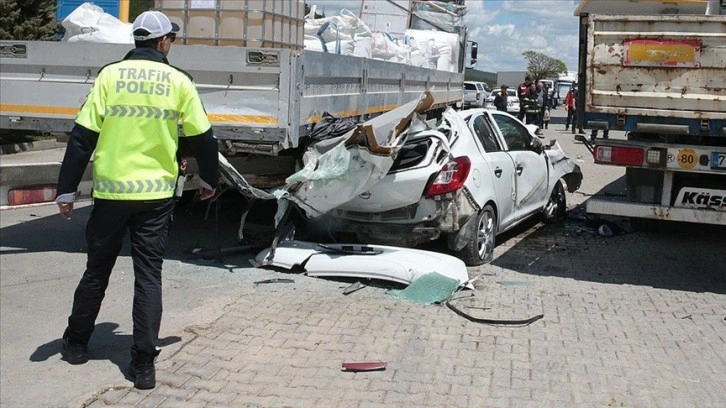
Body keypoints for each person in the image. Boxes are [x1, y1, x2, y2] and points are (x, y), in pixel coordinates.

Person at [56, 11, 219, 390]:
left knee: (97, 271)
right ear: (163, 42)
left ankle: (77, 344)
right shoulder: (179, 81)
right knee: (148, 277)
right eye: (172, 39)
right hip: (156, 196)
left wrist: (66, 190)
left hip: (111, 193)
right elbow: (204, 138)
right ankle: (143, 366)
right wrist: (209, 180)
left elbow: (82, 137)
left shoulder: (109, 76)